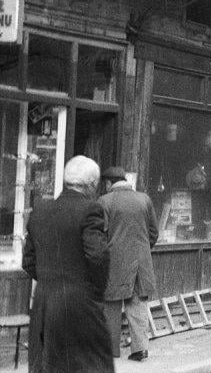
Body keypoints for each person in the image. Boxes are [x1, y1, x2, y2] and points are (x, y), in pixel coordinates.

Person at [22, 155, 114, 372]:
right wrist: (92, 292)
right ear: (92, 184)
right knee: (89, 365)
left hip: (44, 303)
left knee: (47, 366)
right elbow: (98, 256)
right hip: (79, 304)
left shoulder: (40, 211)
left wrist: (51, 282)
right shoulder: (90, 210)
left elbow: (28, 261)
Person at [99, 166, 160, 361]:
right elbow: (154, 233)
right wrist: (141, 251)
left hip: (114, 262)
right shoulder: (144, 199)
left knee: (111, 304)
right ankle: (140, 349)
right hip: (141, 262)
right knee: (138, 304)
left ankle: (111, 350)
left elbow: (100, 235)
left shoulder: (104, 201)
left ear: (108, 183)